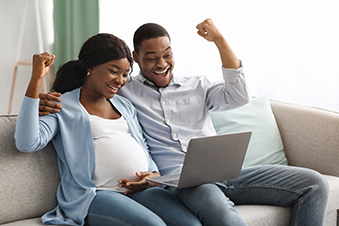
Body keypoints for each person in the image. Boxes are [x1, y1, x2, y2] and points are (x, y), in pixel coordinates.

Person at [38, 19, 329, 226]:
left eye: (167, 55)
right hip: (184, 182)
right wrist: (44, 101)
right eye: (151, 58)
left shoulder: (197, 85)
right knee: (220, 214)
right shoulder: (126, 92)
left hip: (228, 172)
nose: (161, 63)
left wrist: (219, 40)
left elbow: (239, 96)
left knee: (315, 184)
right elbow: (94, 86)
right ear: (136, 59)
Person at [14, 33, 203, 226]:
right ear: (91, 68)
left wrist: (154, 173)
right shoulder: (63, 105)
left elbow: (142, 144)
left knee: (191, 224)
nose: (120, 81)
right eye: (113, 71)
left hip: (142, 191)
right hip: (97, 194)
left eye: (125, 74)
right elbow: (26, 143)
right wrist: (36, 80)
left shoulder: (125, 105)